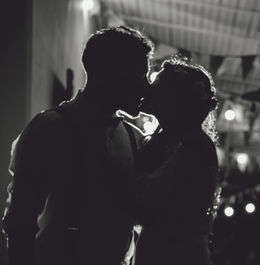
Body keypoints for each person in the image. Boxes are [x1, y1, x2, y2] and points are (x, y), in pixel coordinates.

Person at [1, 26, 154, 265]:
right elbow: (20, 222)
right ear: (107, 73)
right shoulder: (49, 129)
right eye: (137, 75)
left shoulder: (135, 138)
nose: (146, 87)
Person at [132, 57, 220, 265]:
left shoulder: (195, 145)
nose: (149, 88)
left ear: (174, 98)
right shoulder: (166, 140)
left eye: (157, 84)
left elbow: (147, 196)